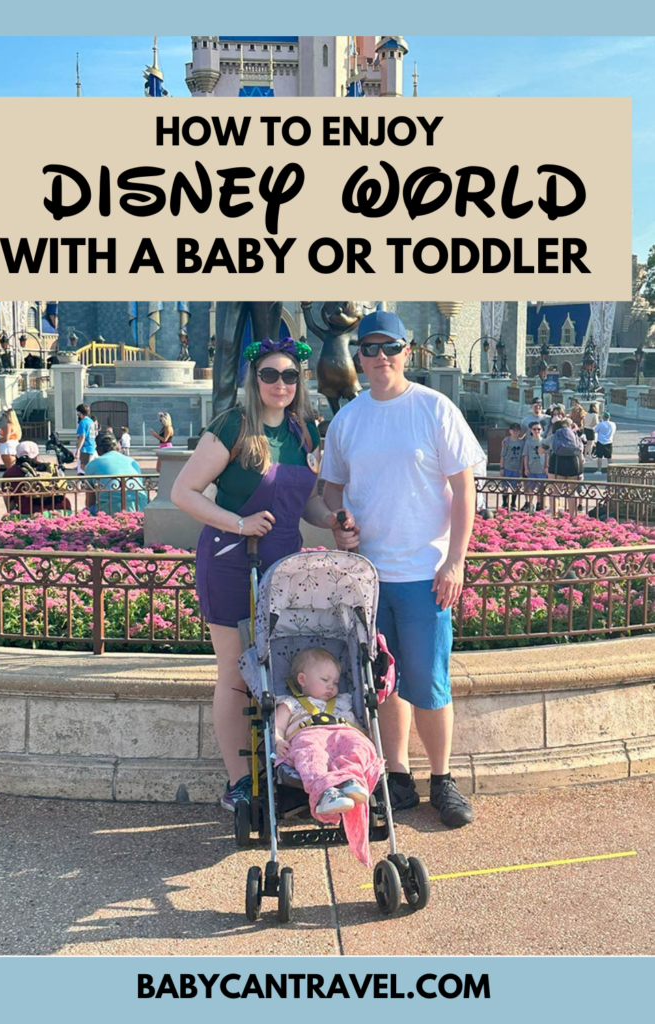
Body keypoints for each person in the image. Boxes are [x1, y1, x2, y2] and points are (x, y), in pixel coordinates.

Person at [170, 335, 352, 812]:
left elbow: (305, 500)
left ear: (300, 381)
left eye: (290, 375)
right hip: (232, 560)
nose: (280, 383)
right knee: (234, 672)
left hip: (284, 567)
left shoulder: (301, 433)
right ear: (255, 378)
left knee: (275, 671)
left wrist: (331, 520)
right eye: (270, 374)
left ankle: (282, 764)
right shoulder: (233, 426)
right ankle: (238, 782)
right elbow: (183, 492)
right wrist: (239, 523)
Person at [321, 310, 485, 828]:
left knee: (430, 683)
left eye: (389, 347)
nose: (380, 357)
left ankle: (443, 778)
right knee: (385, 683)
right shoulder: (348, 419)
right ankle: (398, 774)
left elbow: (465, 491)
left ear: (406, 351)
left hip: (423, 573)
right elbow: (331, 487)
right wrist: (338, 522)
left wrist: (455, 561)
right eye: (369, 349)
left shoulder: (434, 408)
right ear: (358, 358)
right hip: (369, 578)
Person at [275, 648, 383, 867]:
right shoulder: (290, 703)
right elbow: (277, 726)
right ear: (302, 680)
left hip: (343, 732)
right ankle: (326, 792)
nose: (331, 686)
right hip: (308, 733)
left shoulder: (344, 700)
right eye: (325, 680)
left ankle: (351, 780)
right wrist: (277, 740)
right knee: (310, 755)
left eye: (334, 681)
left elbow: (360, 726)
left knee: (359, 746)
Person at [85, 431, 148, 514]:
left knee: (87, 511)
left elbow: (90, 500)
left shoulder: (91, 465)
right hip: (139, 507)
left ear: (98, 450)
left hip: (109, 510)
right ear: (117, 446)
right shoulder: (132, 462)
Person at [2, 441, 70, 516]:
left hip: (31, 512)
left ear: (17, 455)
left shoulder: (10, 473)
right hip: (63, 508)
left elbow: (9, 501)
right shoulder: (50, 468)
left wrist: (11, 511)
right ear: (37, 455)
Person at [549, 418, 584, 515]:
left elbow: (541, 449)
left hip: (557, 464)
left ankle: (554, 515)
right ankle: (573, 516)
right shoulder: (574, 436)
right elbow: (580, 450)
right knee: (572, 491)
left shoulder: (554, 436)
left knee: (555, 491)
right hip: (573, 463)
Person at [521, 421, 549, 512]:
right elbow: (526, 455)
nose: (537, 431)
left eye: (539, 429)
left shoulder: (544, 441)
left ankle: (540, 505)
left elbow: (547, 455)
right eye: (534, 429)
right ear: (531, 430)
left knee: (541, 489)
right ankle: (530, 505)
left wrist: (546, 467)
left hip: (541, 468)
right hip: (531, 468)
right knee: (530, 488)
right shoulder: (528, 442)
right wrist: (526, 468)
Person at [500, 423, 523, 510]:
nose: (515, 432)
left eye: (517, 430)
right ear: (510, 431)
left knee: (515, 487)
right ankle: (504, 502)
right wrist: (502, 467)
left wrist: (521, 468)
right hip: (507, 467)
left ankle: (513, 503)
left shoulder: (522, 442)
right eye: (514, 430)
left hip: (516, 467)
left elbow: (522, 457)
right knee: (505, 486)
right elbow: (503, 455)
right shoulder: (507, 441)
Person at [74, 403, 97, 475]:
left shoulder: (83, 422)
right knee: (86, 466)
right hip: (91, 446)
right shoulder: (90, 421)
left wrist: (78, 449)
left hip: (85, 448)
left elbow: (82, 437)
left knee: (83, 467)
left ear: (80, 412)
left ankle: (88, 482)